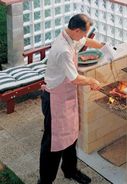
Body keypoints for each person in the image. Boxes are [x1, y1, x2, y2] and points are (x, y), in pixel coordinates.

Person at [38, 14, 104, 184]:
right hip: (55, 101)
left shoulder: (71, 37)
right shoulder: (63, 50)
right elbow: (74, 78)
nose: (84, 37)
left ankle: (70, 171)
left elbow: (85, 42)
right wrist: (92, 81)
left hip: (67, 98)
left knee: (71, 136)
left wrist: (104, 47)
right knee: (53, 143)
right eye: (83, 33)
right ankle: (45, 181)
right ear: (76, 30)